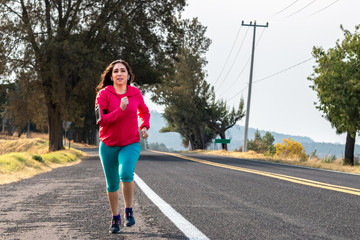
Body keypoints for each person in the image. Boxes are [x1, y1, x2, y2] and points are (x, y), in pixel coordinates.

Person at [95, 59, 150, 234]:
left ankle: (128, 210)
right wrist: (120, 109)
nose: (119, 73)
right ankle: (115, 217)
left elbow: (144, 111)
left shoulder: (135, 93)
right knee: (112, 184)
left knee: (126, 173)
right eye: (116, 71)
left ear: (128, 75)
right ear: (111, 76)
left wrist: (144, 126)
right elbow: (101, 120)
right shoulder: (103, 94)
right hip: (108, 144)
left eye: (122, 71)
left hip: (130, 142)